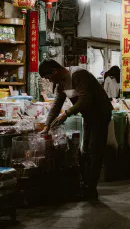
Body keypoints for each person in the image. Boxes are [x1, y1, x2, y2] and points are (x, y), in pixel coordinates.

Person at [39, 59, 113, 200]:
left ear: (54, 71)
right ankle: (85, 185)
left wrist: (66, 114)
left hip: (100, 114)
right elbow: (56, 105)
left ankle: (91, 189)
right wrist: (47, 126)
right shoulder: (60, 83)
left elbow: (85, 100)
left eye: (48, 77)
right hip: (88, 116)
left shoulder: (78, 74)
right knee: (84, 151)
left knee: (94, 151)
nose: (49, 80)